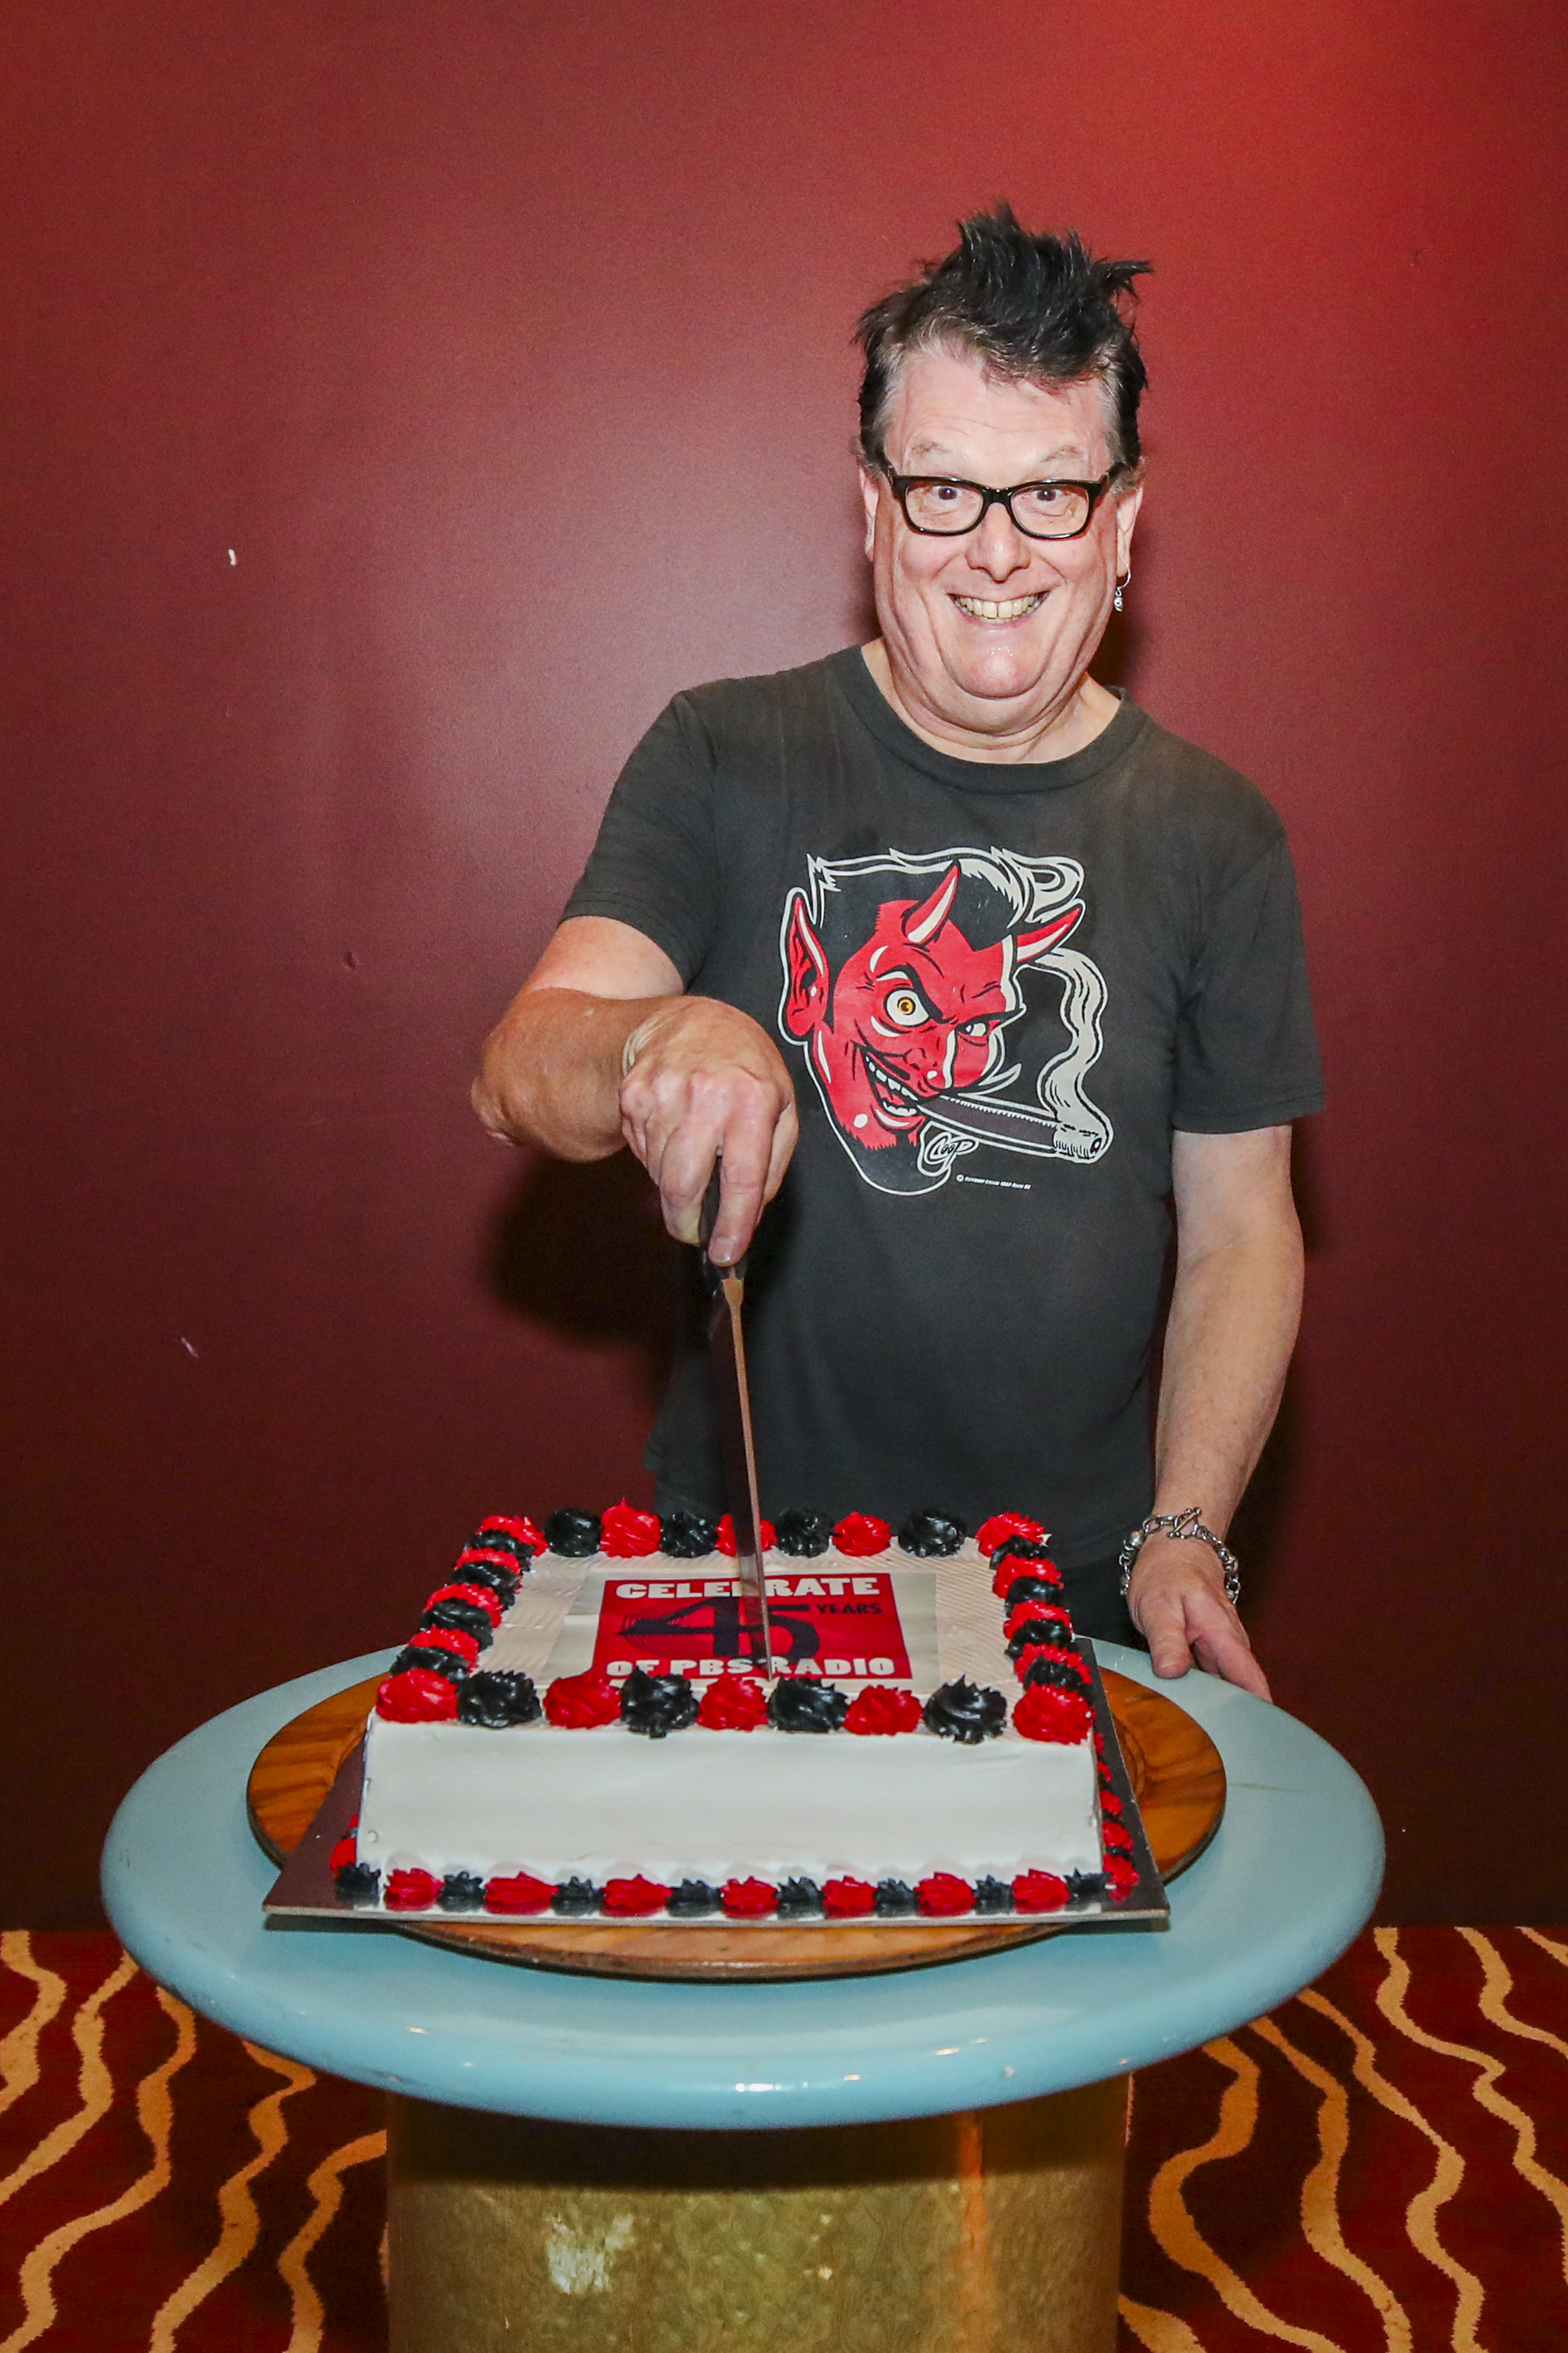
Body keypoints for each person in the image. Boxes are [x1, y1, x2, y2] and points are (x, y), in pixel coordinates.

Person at [473, 207, 1322, 1702]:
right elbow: (519, 1066)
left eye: (1051, 492)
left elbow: (1243, 1227)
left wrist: (1184, 1533)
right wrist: (655, 1039)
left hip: (1086, 1615)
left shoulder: (1219, 831)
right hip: (753, 1591)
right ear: (872, 508)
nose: (995, 548)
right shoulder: (722, 751)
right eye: (943, 488)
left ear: (1121, 520)